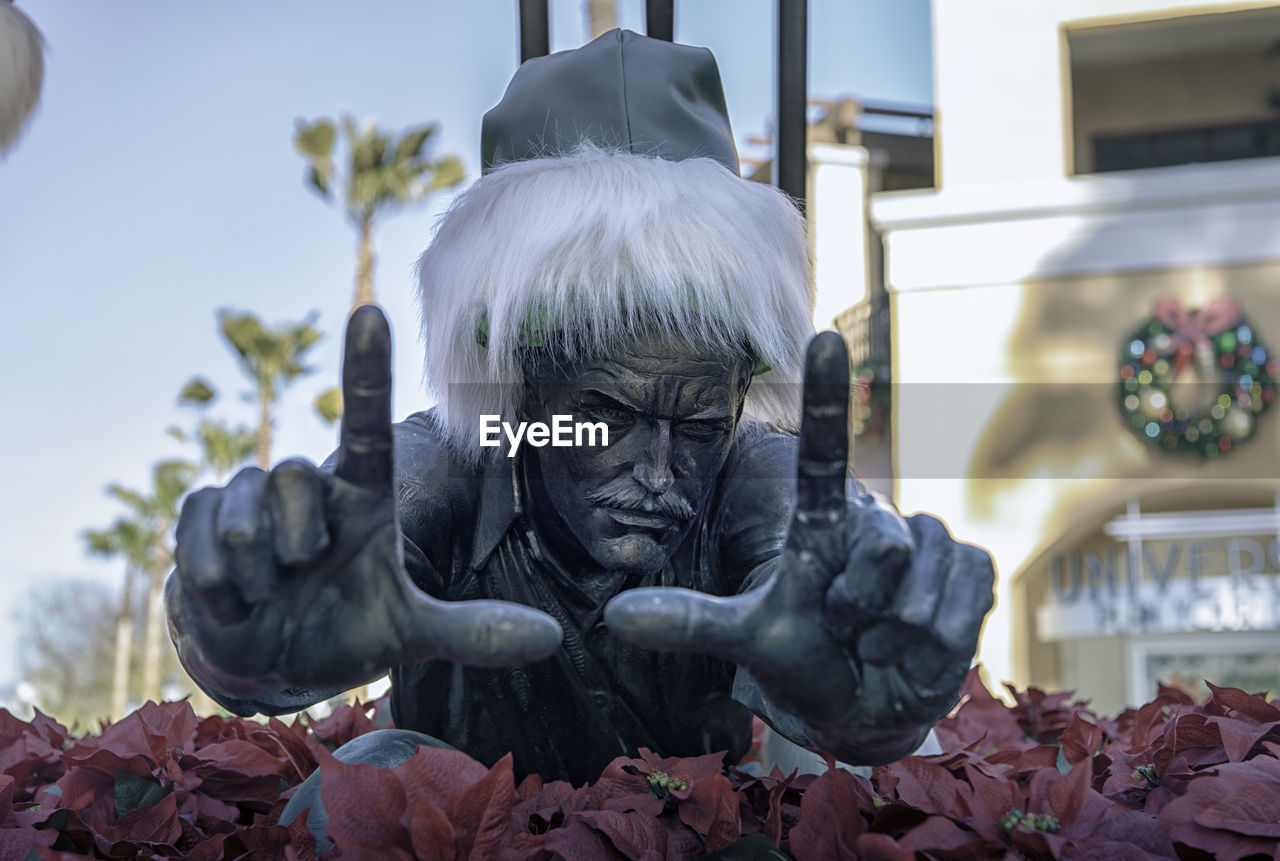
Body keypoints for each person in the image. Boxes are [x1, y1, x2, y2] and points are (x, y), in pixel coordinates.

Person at [166, 29, 994, 794]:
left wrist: (868, 698)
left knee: (857, 774)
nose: (659, 472)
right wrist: (243, 640)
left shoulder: (757, 474)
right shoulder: (442, 467)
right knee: (375, 774)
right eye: (602, 415)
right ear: (519, 387)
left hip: (710, 830)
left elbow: (807, 557)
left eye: (701, 426)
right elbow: (302, 575)